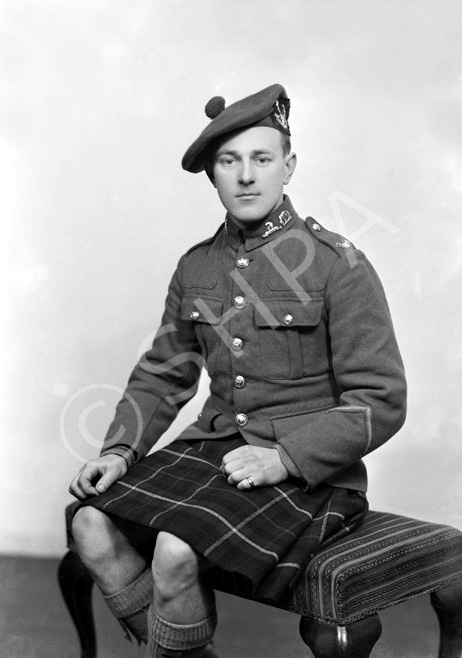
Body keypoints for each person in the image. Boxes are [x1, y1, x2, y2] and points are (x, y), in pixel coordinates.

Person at [69, 84, 407, 658]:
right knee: (87, 525)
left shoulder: (338, 265)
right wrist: (119, 450)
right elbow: (164, 372)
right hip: (214, 448)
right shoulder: (197, 265)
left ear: (288, 167)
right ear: (213, 175)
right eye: (230, 161)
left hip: (309, 474)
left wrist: (285, 458)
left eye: (262, 158)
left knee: (176, 550)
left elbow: (381, 398)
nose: (246, 175)